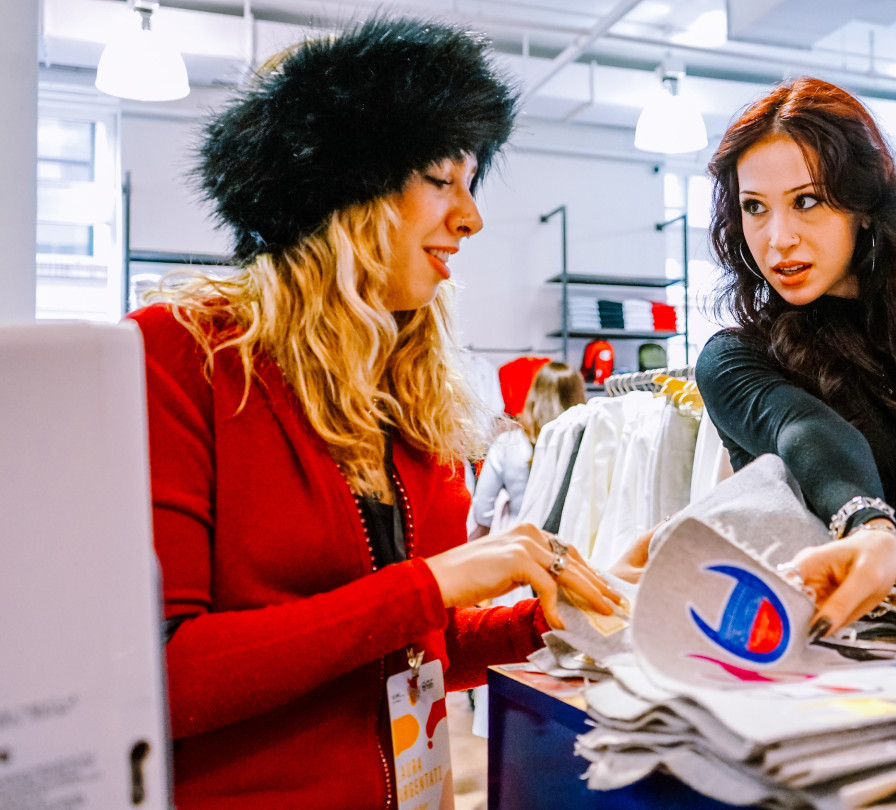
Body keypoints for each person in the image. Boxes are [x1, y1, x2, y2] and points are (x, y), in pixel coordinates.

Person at [129, 18, 619, 807]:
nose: (471, 218)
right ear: (343, 189)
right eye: (440, 178)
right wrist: (429, 585)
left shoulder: (406, 392)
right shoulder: (183, 358)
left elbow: (417, 644)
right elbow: (162, 672)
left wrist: (555, 615)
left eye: (471, 183)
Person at [696, 77, 896, 640]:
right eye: (754, 208)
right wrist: (869, 527)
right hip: (824, 658)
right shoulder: (735, 359)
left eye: (806, 202)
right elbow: (806, 429)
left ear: (862, 208)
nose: (777, 238)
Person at [470, 361, 586, 538]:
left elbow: (483, 511)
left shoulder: (508, 443)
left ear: (534, 393)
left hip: (519, 544)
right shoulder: (586, 444)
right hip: (572, 545)